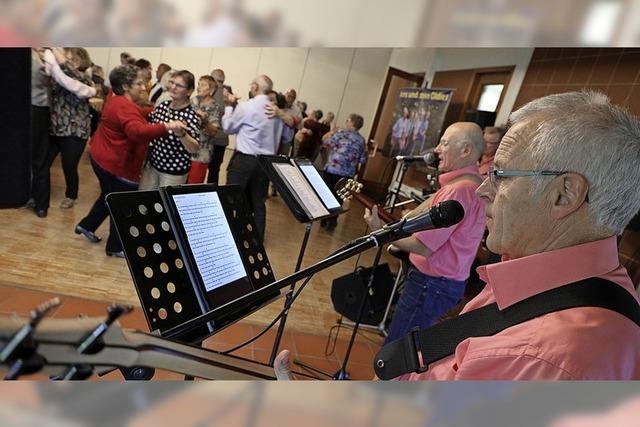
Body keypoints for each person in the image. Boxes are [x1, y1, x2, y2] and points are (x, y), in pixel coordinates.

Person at [402, 91, 640, 380]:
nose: (482, 190)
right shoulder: (550, 276)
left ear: (564, 194)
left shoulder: (538, 356)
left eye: (499, 175)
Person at [369, 122, 487, 344]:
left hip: (431, 283)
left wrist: (381, 232)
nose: (436, 150)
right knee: (411, 348)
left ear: (466, 150)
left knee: (398, 350)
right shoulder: (475, 184)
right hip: (446, 283)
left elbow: (424, 246)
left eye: (444, 143)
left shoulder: (457, 190)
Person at [75, 65, 186, 258]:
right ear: (126, 86)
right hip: (114, 164)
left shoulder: (115, 98)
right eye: (139, 83)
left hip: (101, 157)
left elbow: (133, 114)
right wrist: (167, 125)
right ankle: (116, 247)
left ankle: (86, 225)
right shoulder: (124, 107)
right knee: (123, 205)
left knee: (109, 196)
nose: (143, 87)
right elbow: (137, 132)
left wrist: (152, 112)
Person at [221, 74, 285, 239]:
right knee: (258, 203)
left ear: (255, 87)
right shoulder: (276, 113)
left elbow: (228, 127)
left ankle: (226, 236)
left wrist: (229, 107)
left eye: (251, 85)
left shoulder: (247, 106)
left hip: (245, 159)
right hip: (265, 163)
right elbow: (280, 137)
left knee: (231, 198)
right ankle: (256, 240)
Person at [48, 47, 96, 210]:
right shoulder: (61, 76)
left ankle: (71, 195)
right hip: (56, 128)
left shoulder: (85, 79)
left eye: (67, 58)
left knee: (69, 165)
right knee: (44, 162)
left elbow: (68, 71)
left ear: (77, 61)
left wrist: (53, 49)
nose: (63, 60)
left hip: (75, 130)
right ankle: (39, 194)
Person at [139, 70, 201, 190]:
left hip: (173, 173)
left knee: (165, 205)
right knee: (143, 201)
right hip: (152, 165)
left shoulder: (191, 115)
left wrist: (182, 134)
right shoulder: (163, 106)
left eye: (179, 85)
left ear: (189, 91)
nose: (173, 87)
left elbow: (194, 148)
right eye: (172, 82)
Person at [320, 114, 368, 231]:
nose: (346, 122)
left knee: (327, 193)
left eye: (347, 120)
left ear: (351, 123)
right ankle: (333, 219)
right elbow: (363, 159)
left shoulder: (340, 134)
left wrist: (332, 131)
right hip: (347, 173)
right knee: (339, 196)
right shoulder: (361, 140)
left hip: (332, 169)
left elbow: (325, 143)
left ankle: (324, 219)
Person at [188, 75, 221, 184]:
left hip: (201, 153)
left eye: (203, 85)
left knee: (192, 187)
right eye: (198, 84)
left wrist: (204, 121)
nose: (198, 87)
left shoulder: (214, 106)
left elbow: (214, 131)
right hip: (185, 150)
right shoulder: (192, 101)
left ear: (211, 90)